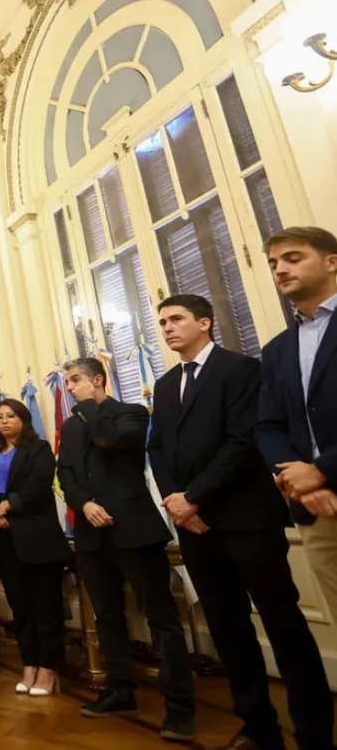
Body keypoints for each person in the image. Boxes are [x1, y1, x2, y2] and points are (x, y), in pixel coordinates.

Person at [154, 293, 332, 750]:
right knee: (230, 634)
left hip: (247, 521)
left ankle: (314, 734)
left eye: (176, 319)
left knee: (283, 628)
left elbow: (242, 442)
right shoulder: (165, 383)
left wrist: (194, 498)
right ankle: (258, 727)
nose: (168, 328)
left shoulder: (241, 369)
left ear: (205, 323)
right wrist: (178, 504)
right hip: (194, 528)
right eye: (162, 322)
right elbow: (159, 451)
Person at [57, 357, 195, 742]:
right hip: (91, 533)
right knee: (108, 617)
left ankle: (179, 706)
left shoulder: (131, 413)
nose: (69, 388)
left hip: (133, 529)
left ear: (98, 380)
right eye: (67, 383)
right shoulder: (69, 427)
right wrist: (84, 503)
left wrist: (88, 406)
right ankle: (120, 690)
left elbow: (110, 441)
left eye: (75, 381)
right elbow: (64, 472)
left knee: (161, 619)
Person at [259, 227, 337, 621]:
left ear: (331, 261)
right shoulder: (276, 349)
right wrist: (298, 481)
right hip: (313, 511)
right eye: (274, 263)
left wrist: (321, 471)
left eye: (293, 258)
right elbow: (268, 425)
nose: (280, 269)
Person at [0, 398, 71, 698]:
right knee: (21, 608)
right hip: (2, 539)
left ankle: (48, 668)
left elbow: (38, 485)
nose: (4, 421)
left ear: (23, 419)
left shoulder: (38, 448)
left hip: (36, 537)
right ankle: (29, 664)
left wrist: (5, 507)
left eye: (10, 416)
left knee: (45, 607)